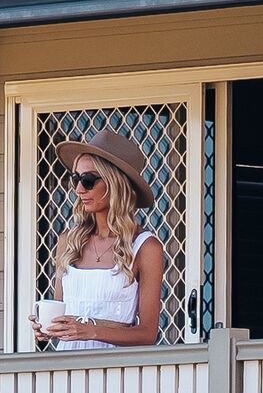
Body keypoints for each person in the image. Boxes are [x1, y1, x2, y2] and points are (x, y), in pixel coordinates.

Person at [32, 130, 168, 351]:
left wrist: (91, 331)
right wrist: (45, 329)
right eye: (75, 179)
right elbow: (61, 316)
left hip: (115, 373)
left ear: (116, 184)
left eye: (87, 181)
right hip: (66, 370)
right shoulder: (69, 241)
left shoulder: (145, 247)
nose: (78, 189)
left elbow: (148, 333)